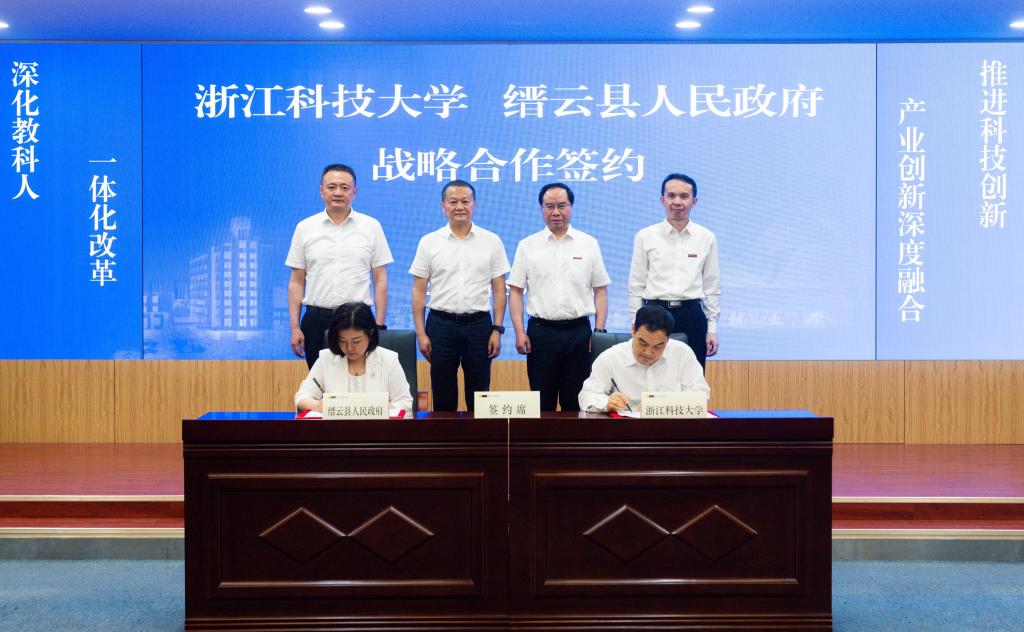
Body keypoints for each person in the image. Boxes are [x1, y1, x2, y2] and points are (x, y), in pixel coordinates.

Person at [508, 183, 611, 411]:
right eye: (549, 206)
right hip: (540, 333)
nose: (556, 212)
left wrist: (599, 331)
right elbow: (515, 291)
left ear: (571, 207)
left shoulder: (588, 243)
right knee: (541, 403)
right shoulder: (527, 245)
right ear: (541, 209)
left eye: (562, 206)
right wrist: (519, 331)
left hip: (579, 333)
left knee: (576, 402)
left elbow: (600, 291)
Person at [410, 180, 510, 412]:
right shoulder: (429, 242)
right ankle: (446, 436)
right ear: (443, 206)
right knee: (443, 394)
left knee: (480, 394)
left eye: (465, 201)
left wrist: (497, 329)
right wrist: (421, 334)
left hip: (479, 326)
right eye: (453, 202)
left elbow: (499, 289)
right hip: (440, 325)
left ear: (474, 205)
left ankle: (479, 436)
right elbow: (418, 291)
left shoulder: (491, 241)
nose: (459, 207)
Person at [286, 164, 394, 369]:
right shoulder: (305, 228)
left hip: (358, 319)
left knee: (361, 380)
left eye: (344, 188)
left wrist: (379, 325)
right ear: (321, 191)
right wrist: (294, 327)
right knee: (321, 382)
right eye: (332, 187)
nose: (338, 192)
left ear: (355, 191)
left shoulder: (371, 226)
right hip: (317, 320)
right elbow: (296, 281)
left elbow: (380, 279)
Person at [628, 173, 720, 370]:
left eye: (684, 196)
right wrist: (636, 322)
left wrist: (712, 329)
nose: (677, 202)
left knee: (692, 377)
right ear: (662, 199)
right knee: (652, 375)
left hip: (691, 315)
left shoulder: (706, 237)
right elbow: (636, 285)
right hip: (654, 314)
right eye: (671, 196)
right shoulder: (645, 236)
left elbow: (712, 286)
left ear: (694, 201)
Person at [579, 304, 709, 413]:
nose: (648, 352)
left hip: (671, 429)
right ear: (633, 330)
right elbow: (587, 396)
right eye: (643, 343)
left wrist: (661, 404)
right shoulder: (611, 357)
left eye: (658, 346)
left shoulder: (682, 353)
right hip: (626, 430)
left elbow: (701, 395)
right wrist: (606, 402)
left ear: (668, 339)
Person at [295, 302, 412, 413]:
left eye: (356, 341)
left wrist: (377, 408)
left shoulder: (388, 359)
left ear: (371, 334)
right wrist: (318, 406)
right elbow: (301, 398)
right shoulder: (326, 359)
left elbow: (405, 403)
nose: (349, 348)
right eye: (342, 340)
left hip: (378, 426)